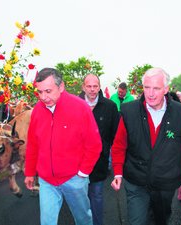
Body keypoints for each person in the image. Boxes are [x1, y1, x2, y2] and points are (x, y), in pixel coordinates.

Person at [111, 67, 181, 225]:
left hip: (166, 183)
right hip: (136, 180)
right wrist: (117, 173)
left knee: (160, 220)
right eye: (147, 87)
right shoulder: (129, 111)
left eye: (156, 88)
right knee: (137, 221)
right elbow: (119, 145)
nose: (150, 93)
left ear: (166, 89)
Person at [24, 68, 102, 225]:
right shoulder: (38, 110)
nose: (43, 97)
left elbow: (94, 144)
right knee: (47, 222)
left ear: (61, 87)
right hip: (47, 181)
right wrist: (30, 172)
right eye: (39, 92)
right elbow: (33, 144)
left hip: (74, 179)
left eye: (48, 91)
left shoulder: (80, 107)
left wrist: (83, 172)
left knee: (83, 219)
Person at [79, 74, 119, 225]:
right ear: (83, 87)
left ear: (100, 86)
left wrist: (116, 162)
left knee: (96, 195)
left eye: (95, 86)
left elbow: (116, 135)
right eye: (89, 86)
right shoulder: (74, 105)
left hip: (99, 161)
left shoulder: (110, 106)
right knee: (80, 198)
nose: (92, 89)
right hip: (77, 162)